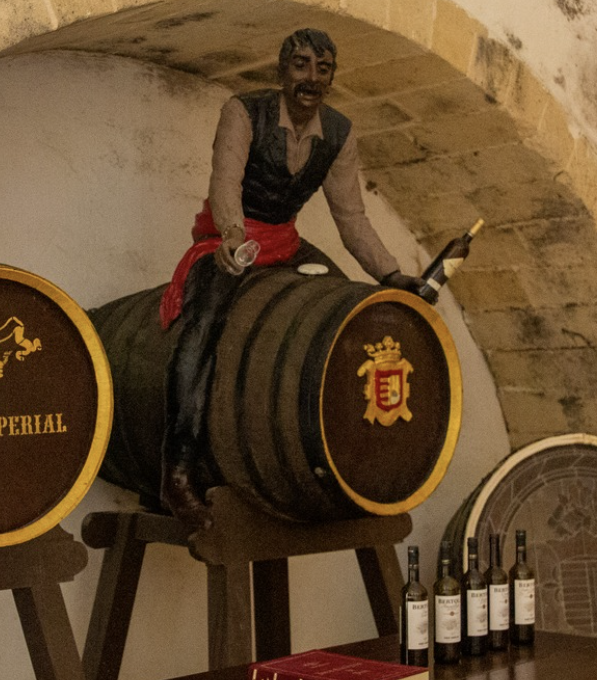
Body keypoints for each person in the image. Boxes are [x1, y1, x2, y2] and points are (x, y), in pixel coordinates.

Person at [156, 28, 428, 531]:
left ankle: (348, 453)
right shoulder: (244, 112)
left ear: (332, 76)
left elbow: (352, 218)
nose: (311, 78)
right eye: (301, 65)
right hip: (233, 239)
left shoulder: (339, 132)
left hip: (284, 239)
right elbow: (225, 183)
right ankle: (177, 473)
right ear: (282, 71)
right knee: (199, 337)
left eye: (322, 69)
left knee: (346, 316)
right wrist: (233, 239)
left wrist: (390, 273)